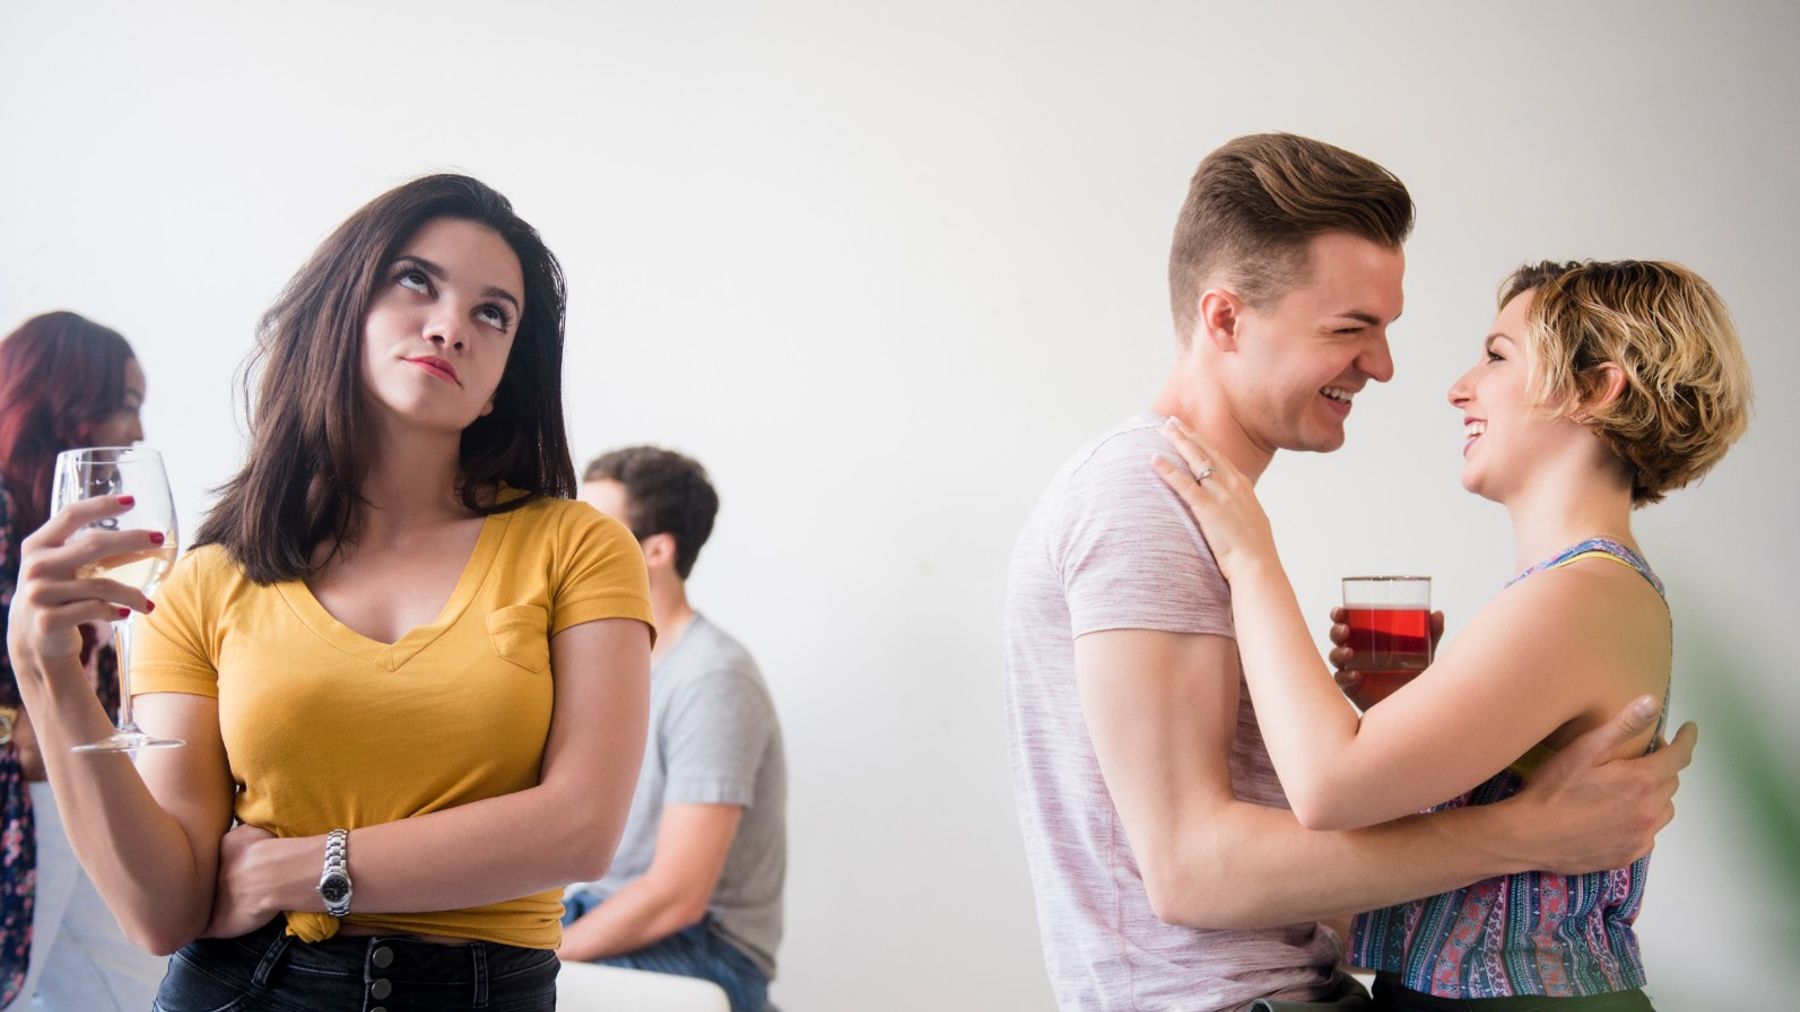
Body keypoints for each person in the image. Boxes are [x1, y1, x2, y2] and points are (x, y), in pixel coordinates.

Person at [1003, 133, 1697, 1012]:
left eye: (1385, 328)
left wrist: (1395, 725)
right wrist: (1524, 833)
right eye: (1350, 329)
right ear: (1226, 320)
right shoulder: (1147, 501)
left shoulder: (1213, 514)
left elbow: (1309, 821)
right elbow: (1192, 875)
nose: (1385, 366)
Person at [3, 174, 655, 1011]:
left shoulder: (579, 546)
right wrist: (51, 675)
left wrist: (306, 867)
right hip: (243, 986)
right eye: (416, 280)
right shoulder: (209, 579)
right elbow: (161, 910)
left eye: (493, 313)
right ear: (341, 307)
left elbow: (581, 826)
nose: (451, 325)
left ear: (503, 380)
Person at [1154, 259, 1751, 1010]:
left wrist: (1251, 557)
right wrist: (1416, 711)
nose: (1459, 387)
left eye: (1498, 356)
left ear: (1597, 388)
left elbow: (1329, 787)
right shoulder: (1578, 590)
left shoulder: (1584, 593)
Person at [561, 446, 786, 1012]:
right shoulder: (600, 663)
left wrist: (543, 952)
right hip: (594, 910)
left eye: (595, 532)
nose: (568, 547)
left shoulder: (713, 677)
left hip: (701, 948)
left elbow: (677, 896)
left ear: (657, 550)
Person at [0, 311, 166, 1009]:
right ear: (66, 404)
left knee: (130, 984)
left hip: (64, 794)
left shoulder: (69, 540)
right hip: (28, 802)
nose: (137, 431)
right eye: (125, 404)